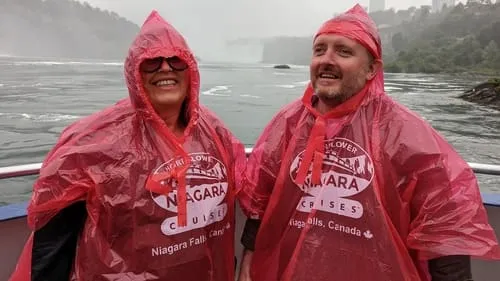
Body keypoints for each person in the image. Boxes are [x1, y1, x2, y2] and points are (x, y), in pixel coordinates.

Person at [237, 4, 500, 281]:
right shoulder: (288, 123)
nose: (327, 59)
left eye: (343, 51)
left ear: (372, 69)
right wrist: (248, 263)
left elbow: (445, 228)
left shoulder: (405, 134)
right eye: (319, 50)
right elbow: (260, 201)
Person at [9, 10, 245, 281]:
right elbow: (53, 240)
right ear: (135, 72)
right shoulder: (96, 140)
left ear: (191, 70)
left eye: (176, 61)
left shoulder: (215, 133)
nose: (166, 68)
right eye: (152, 61)